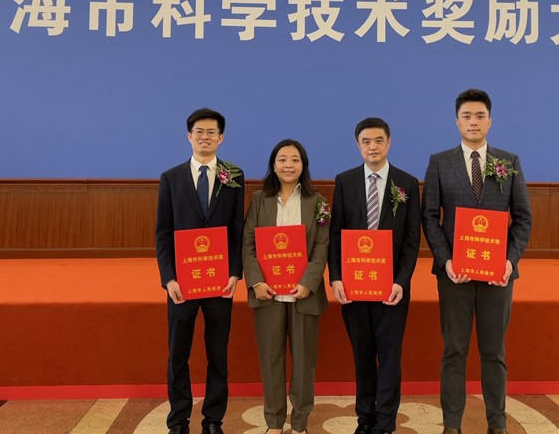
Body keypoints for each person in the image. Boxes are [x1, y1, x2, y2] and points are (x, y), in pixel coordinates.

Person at [422, 89, 532, 434]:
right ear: (457, 122)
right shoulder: (440, 162)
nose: (473, 122)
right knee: (454, 351)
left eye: (480, 116)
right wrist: (446, 260)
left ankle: (497, 424)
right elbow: (429, 217)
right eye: (466, 116)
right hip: (454, 275)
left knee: (494, 352)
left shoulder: (509, 161)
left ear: (490, 121)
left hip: (497, 275)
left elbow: (523, 218)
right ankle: (451, 425)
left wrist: (510, 262)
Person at [155, 108, 245, 434]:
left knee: (217, 354)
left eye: (211, 132)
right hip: (183, 283)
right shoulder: (171, 178)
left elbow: (237, 228)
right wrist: (169, 278)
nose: (204, 137)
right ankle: (179, 420)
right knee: (178, 354)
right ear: (188, 136)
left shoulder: (234, 176)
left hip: (220, 283)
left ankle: (212, 420)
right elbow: (163, 232)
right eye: (199, 132)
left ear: (221, 138)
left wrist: (235, 272)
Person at [328, 117, 421, 434]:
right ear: (358, 145)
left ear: (389, 142)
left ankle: (385, 423)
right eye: (366, 141)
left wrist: (401, 282)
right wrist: (336, 277)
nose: (373, 146)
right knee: (363, 355)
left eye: (379, 140)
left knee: (390, 357)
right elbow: (336, 234)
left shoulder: (407, 184)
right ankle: (365, 418)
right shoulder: (345, 181)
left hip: (391, 288)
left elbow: (412, 240)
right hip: (353, 288)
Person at [242, 139, 329, 434]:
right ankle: (274, 422)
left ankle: (300, 424)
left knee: (304, 363)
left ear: (303, 165)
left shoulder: (317, 202)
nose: (288, 165)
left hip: (304, 295)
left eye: (294, 159)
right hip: (267, 294)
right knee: (271, 361)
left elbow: (322, 246)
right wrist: (256, 281)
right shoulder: (259, 200)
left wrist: (308, 283)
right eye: (282, 159)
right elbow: (248, 244)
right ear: (273, 165)